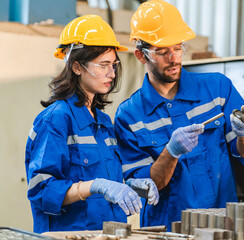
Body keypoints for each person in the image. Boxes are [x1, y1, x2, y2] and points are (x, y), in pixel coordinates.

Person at [114, 0, 244, 230]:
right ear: (141, 55)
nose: (173, 58)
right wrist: (171, 152)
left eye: (177, 48)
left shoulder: (217, 89)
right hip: (166, 230)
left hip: (222, 224)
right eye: (162, 52)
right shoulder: (130, 116)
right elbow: (147, 186)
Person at [25, 15, 159, 233]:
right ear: (76, 67)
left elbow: (109, 181)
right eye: (103, 65)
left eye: (114, 65)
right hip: (69, 235)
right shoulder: (56, 120)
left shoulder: (104, 122)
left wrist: (130, 186)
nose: (112, 73)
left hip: (105, 234)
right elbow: (42, 191)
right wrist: (97, 186)